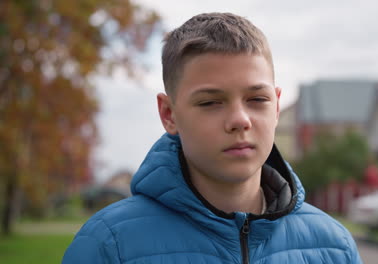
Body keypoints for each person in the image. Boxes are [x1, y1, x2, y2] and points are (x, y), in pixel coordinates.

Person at [62, 12, 362, 264]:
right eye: (210, 103)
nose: (240, 120)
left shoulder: (334, 248)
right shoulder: (109, 246)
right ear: (169, 114)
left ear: (277, 106)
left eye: (257, 99)